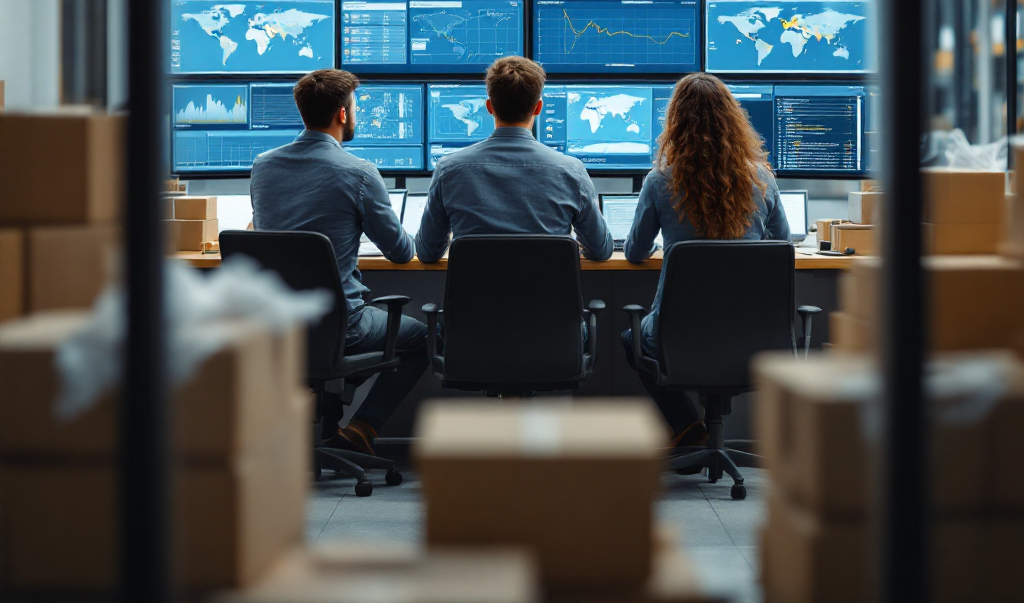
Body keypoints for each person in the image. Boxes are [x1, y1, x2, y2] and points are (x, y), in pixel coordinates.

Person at [250, 68, 427, 456]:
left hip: (275, 323)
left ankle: (326, 428)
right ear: (343, 114)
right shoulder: (359, 172)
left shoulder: (263, 166)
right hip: (341, 327)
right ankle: (362, 428)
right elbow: (400, 251)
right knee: (419, 338)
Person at [621, 72, 790, 448]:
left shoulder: (660, 181)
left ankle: (688, 428)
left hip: (675, 336)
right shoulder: (762, 178)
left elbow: (634, 252)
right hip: (751, 334)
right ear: (734, 120)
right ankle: (697, 433)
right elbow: (782, 246)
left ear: (675, 123)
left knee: (630, 337)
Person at [416, 55, 614, 263]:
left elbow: (427, 253)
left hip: (475, 296)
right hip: (547, 296)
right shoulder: (572, 171)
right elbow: (601, 250)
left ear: (489, 107)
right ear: (538, 108)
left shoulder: (449, 170)